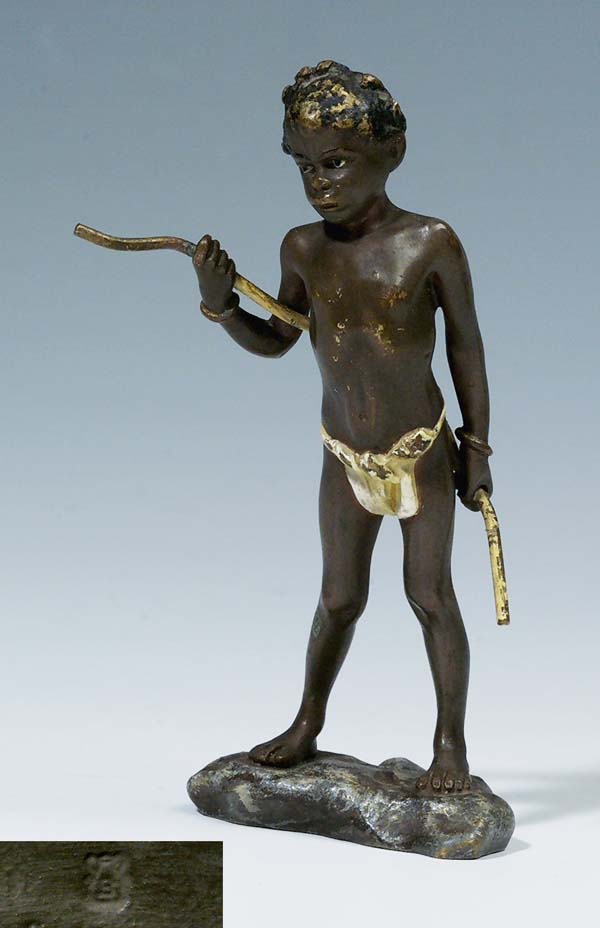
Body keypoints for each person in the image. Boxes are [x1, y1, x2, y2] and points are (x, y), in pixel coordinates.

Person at [192, 60, 493, 795]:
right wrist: (221, 306)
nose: (318, 182)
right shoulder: (304, 249)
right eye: (304, 165)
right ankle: (307, 722)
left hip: (420, 453)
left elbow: (466, 348)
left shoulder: (431, 242)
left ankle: (449, 744)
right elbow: (279, 339)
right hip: (343, 456)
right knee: (338, 598)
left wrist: (478, 447)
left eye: (334, 162)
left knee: (430, 596)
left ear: (390, 152)